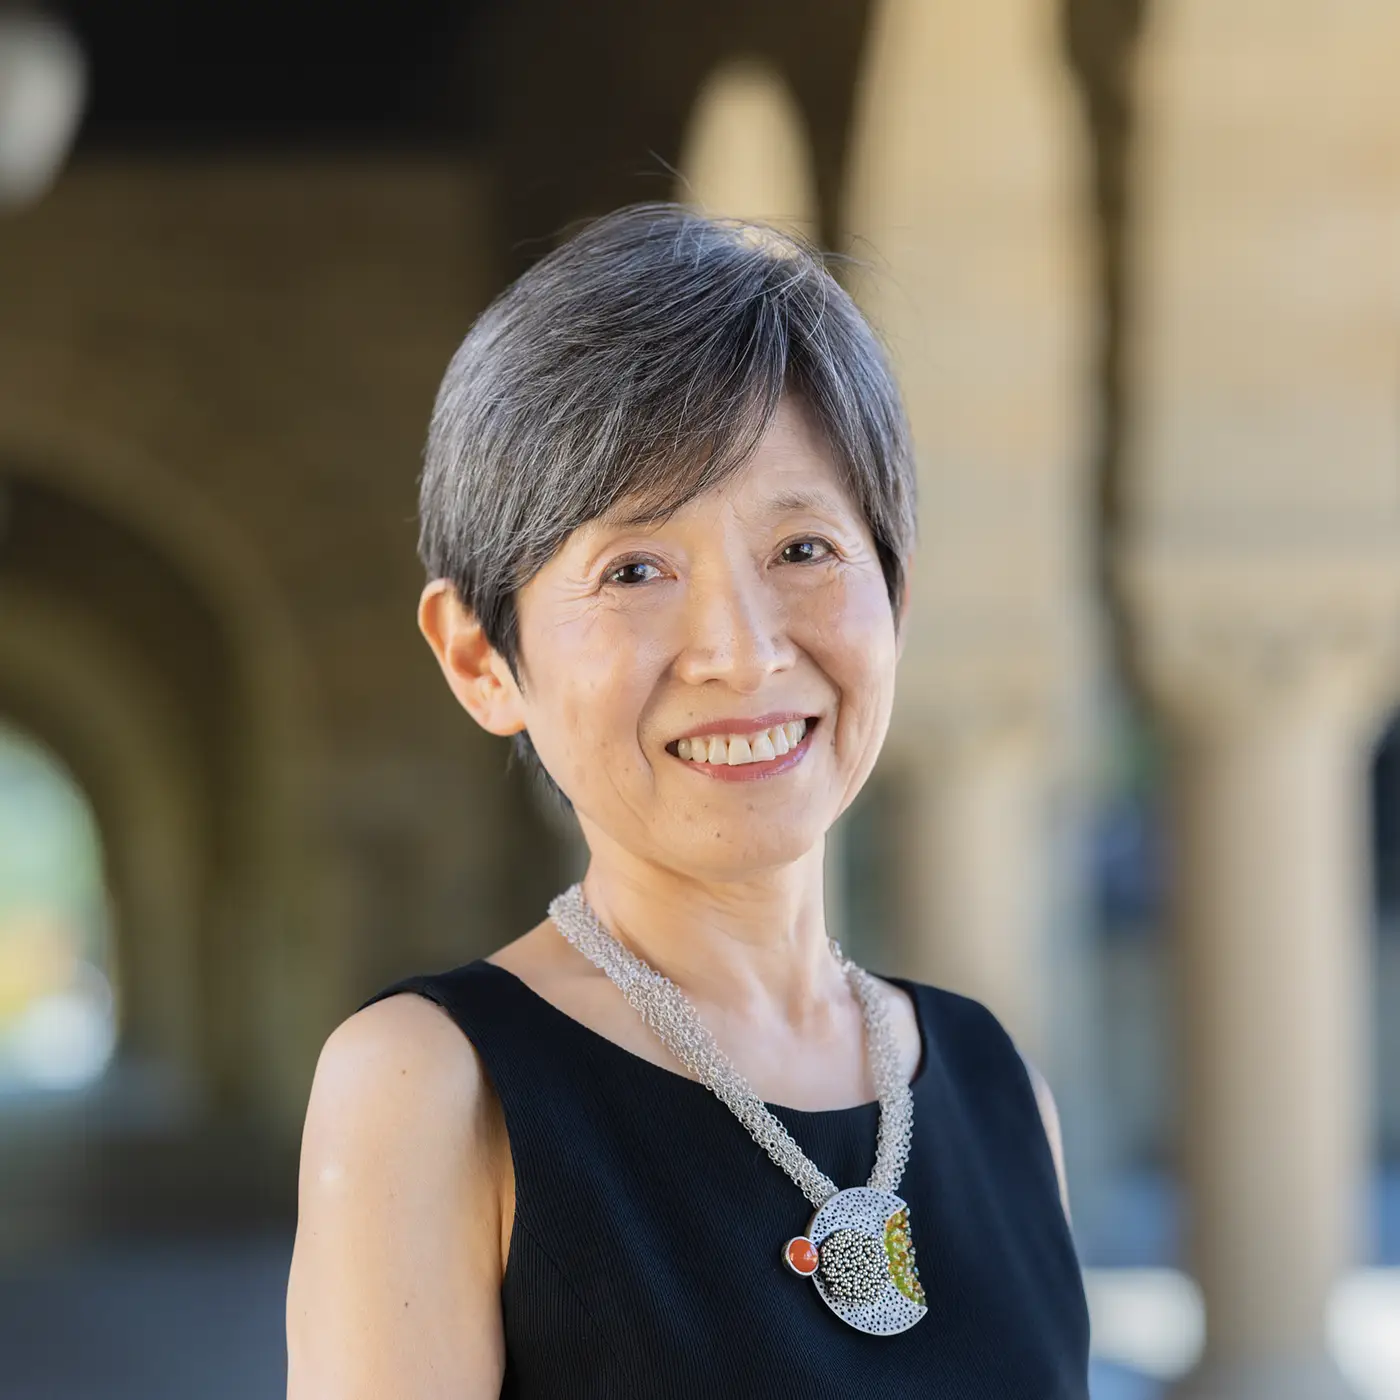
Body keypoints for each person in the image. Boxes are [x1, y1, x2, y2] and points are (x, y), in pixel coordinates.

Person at [285, 204, 1090, 1398]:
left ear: (895, 592)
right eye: (634, 569)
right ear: (479, 658)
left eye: (803, 549)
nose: (742, 651)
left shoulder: (990, 1084)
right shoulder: (429, 1088)